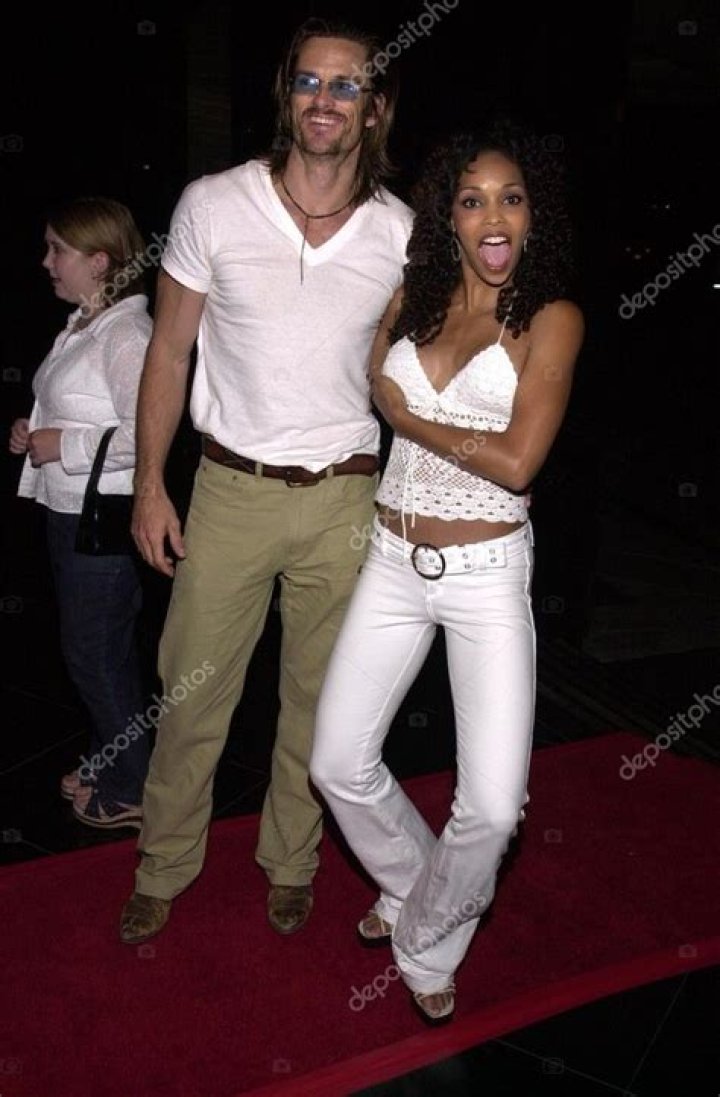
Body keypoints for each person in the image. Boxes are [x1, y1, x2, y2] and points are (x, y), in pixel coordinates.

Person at [118, 17, 413, 945]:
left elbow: (407, 374)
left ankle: (293, 862)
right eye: (309, 82)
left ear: (374, 108)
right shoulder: (213, 204)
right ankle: (164, 863)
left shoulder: (401, 233)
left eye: (347, 85)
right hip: (230, 490)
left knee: (322, 705)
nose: (325, 100)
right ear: (288, 95)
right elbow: (168, 353)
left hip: (346, 497)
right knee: (191, 694)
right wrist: (149, 485)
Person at [309, 118, 585, 1023]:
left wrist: (406, 416)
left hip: (486, 573)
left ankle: (426, 935)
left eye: (512, 199)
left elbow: (517, 461)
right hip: (391, 558)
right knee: (335, 763)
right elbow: (373, 374)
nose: (493, 218)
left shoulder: (550, 318)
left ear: (535, 215)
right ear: (449, 219)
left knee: (495, 808)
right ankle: (414, 882)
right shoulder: (413, 298)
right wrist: (385, 397)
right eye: (473, 201)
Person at [9, 196, 153, 828]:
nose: (47, 262)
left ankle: (133, 786)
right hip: (72, 510)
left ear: (99, 261)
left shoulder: (126, 334)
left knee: (93, 655)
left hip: (101, 519)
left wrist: (62, 445)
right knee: (101, 651)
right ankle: (109, 757)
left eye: (57, 250)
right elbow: (76, 406)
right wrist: (34, 428)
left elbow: (148, 435)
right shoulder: (85, 324)